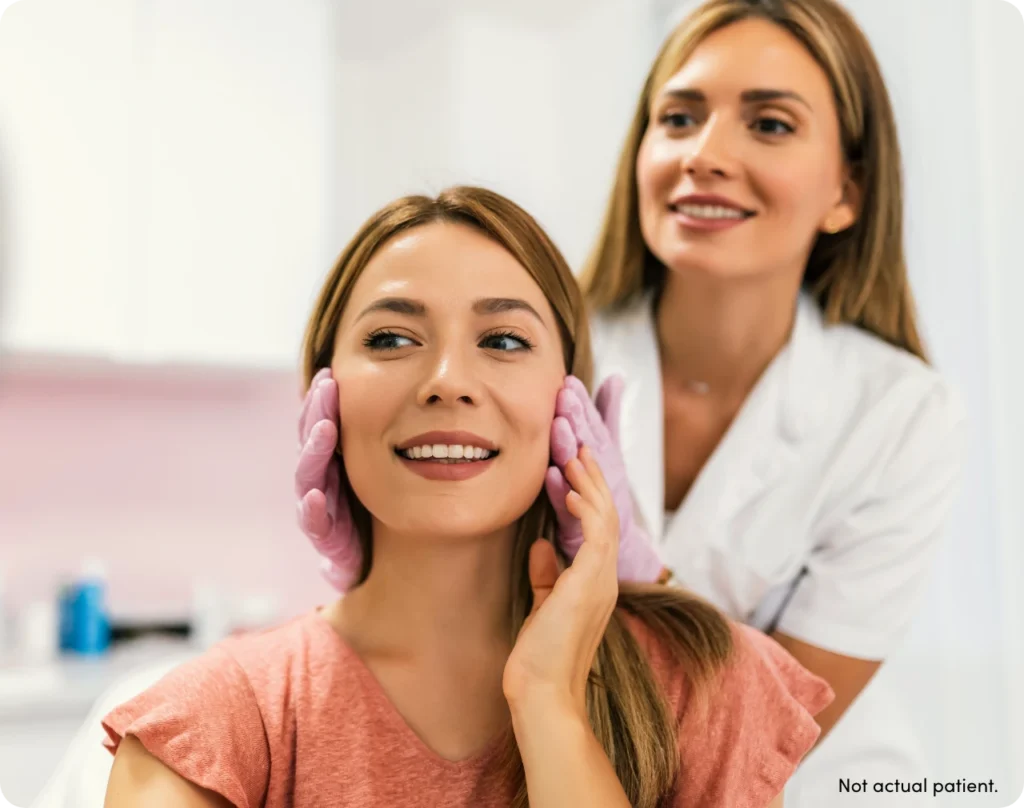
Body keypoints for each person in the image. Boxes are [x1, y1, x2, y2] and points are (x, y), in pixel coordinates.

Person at [295, 2, 966, 805]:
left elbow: (776, 718)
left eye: (771, 125)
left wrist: (641, 579)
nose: (705, 155)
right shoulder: (531, 350)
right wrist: (381, 565)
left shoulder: (901, 416)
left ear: (846, 192)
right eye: (679, 117)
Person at [101, 187, 833, 807]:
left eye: (504, 340)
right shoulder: (214, 725)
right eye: (391, 339)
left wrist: (550, 703)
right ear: (324, 400)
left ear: (570, 402)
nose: (447, 379)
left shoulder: (710, 683)